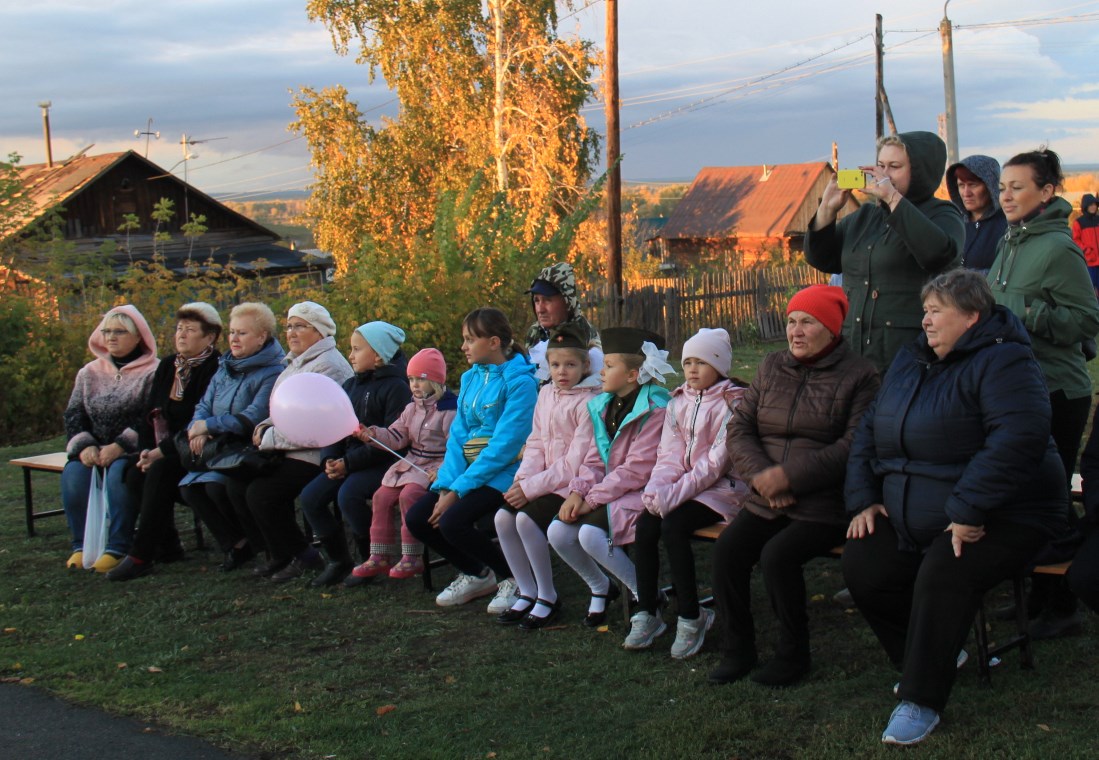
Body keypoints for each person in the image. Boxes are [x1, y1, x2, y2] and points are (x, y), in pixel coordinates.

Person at [843, 269, 1068, 746]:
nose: (924, 321)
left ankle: (920, 698)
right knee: (864, 563)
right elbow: (868, 431)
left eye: (936, 311)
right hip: (915, 507)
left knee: (946, 568)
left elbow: (1018, 439)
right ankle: (933, 652)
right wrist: (863, 498)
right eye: (924, 310)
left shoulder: (1006, 362)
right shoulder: (910, 360)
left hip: (1007, 512)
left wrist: (968, 509)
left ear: (971, 315)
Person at [709, 286, 880, 686]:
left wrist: (790, 478)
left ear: (832, 329)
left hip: (824, 503)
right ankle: (738, 650)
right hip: (767, 497)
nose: (795, 331)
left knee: (778, 557)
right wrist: (763, 478)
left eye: (807, 322)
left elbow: (855, 445)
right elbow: (739, 429)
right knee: (728, 553)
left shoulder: (860, 375)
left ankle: (793, 655)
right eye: (791, 321)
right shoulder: (771, 367)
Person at [987, 149, 1099, 639]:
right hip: (1017, 387)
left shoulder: (1058, 247)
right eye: (1003, 186)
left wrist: (1024, 312)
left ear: (1047, 191)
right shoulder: (1011, 240)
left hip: (1056, 389)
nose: (1005, 195)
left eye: (1017, 186)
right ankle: (1037, 593)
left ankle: (1061, 606)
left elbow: (1087, 320)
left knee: (1048, 498)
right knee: (1023, 496)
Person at [405, 308, 538, 611]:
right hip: (467, 471)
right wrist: (445, 485)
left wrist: (458, 491)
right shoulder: (469, 378)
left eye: (469, 340)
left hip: (505, 471)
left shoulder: (521, 383)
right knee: (418, 519)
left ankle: (513, 578)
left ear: (493, 342)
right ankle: (477, 573)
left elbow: (505, 446)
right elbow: (457, 438)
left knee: (453, 521)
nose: (463, 347)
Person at [627, 328, 749, 658]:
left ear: (720, 366)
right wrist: (656, 491)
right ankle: (647, 610)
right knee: (646, 523)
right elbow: (668, 455)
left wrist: (672, 496)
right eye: (688, 362)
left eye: (702, 362)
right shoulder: (678, 401)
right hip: (685, 488)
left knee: (673, 525)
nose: (692, 370)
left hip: (724, 491)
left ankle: (691, 615)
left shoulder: (732, 404)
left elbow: (716, 465)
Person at [805, 130, 964, 373]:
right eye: (880, 165)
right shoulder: (866, 216)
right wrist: (827, 208)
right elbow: (822, 258)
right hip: (853, 351)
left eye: (894, 167)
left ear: (920, 171)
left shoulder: (942, 214)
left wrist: (893, 198)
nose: (883, 175)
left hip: (907, 354)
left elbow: (938, 255)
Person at [547, 327, 672, 628]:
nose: (600, 372)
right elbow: (593, 458)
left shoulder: (654, 410)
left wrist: (592, 500)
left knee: (589, 534)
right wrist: (578, 491)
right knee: (558, 532)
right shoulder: (603, 406)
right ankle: (601, 584)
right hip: (607, 490)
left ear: (632, 375)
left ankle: (646, 594)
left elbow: (637, 469)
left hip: (642, 492)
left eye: (609, 366)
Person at [495, 323, 603, 629]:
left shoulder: (591, 401)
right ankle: (526, 590)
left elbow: (574, 461)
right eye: (555, 365)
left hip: (572, 483)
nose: (562, 372)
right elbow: (537, 443)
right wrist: (522, 480)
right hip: (540, 480)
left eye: (570, 364)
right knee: (502, 519)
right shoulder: (546, 395)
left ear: (585, 365)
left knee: (525, 520)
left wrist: (530, 488)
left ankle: (547, 595)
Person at [108, 303, 222, 581]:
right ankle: (168, 545)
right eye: (179, 328)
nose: (181, 335)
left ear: (209, 337)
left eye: (190, 330)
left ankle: (140, 555)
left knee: (160, 470)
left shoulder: (214, 368)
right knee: (134, 472)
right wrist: (147, 449)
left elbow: (196, 421)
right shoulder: (168, 365)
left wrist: (160, 453)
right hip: (164, 449)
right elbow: (150, 411)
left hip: (198, 447)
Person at [242, 301, 354, 582]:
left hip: (318, 453)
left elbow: (315, 424)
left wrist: (268, 437)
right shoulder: (295, 362)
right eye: (289, 325)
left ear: (319, 332)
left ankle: (304, 556)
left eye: (300, 326)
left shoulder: (328, 366)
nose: (291, 332)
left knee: (262, 493)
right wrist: (267, 424)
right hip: (290, 449)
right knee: (237, 484)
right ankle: (279, 553)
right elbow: (283, 408)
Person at [299, 321, 412, 587]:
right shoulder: (350, 385)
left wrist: (348, 463)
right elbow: (335, 427)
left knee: (347, 495)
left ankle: (372, 558)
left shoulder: (397, 388)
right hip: (347, 461)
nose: (350, 355)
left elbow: (392, 441)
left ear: (378, 354)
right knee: (310, 497)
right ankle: (339, 560)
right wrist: (330, 458)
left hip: (384, 462)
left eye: (356, 349)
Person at [179, 303, 285, 572]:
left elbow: (253, 416)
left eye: (243, 333)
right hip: (218, 443)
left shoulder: (273, 370)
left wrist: (209, 427)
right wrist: (198, 427)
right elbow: (204, 403)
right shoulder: (225, 366)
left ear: (261, 337)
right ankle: (236, 543)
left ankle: (262, 545)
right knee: (189, 488)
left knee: (218, 487)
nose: (234, 339)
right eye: (232, 333)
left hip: (247, 446)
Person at [61, 305, 158, 573]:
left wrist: (120, 445)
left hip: (133, 449)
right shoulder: (88, 372)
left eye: (119, 331)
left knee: (120, 472)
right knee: (74, 473)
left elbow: (149, 417)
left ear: (138, 336)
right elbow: (73, 414)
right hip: (93, 448)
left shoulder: (153, 372)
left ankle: (117, 546)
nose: (111, 337)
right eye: (106, 331)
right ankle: (81, 546)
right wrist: (85, 445)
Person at [351, 348, 457, 581]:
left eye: (421, 379)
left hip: (435, 464)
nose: (415, 384)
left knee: (409, 495)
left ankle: (412, 555)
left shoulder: (449, 410)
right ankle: (379, 553)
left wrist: (443, 470)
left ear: (436, 381)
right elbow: (397, 437)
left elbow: (455, 446)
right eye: (411, 379)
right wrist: (374, 435)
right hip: (412, 462)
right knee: (381, 496)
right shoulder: (411, 409)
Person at [945, 155, 1008, 274]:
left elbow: (1006, 274)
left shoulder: (1007, 225)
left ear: (991, 186)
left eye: (973, 185)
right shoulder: (952, 222)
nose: (966, 193)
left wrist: (960, 279)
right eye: (961, 185)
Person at [524, 262, 600, 350]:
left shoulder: (586, 337)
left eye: (547, 300)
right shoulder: (535, 332)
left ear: (567, 301)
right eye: (536, 300)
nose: (540, 310)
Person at [1071, 193, 1099, 296]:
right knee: (1089, 292)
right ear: (1085, 206)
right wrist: (1086, 251)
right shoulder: (1079, 222)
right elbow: (1075, 240)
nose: (1093, 207)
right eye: (1091, 205)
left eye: (1095, 204)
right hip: (1088, 263)